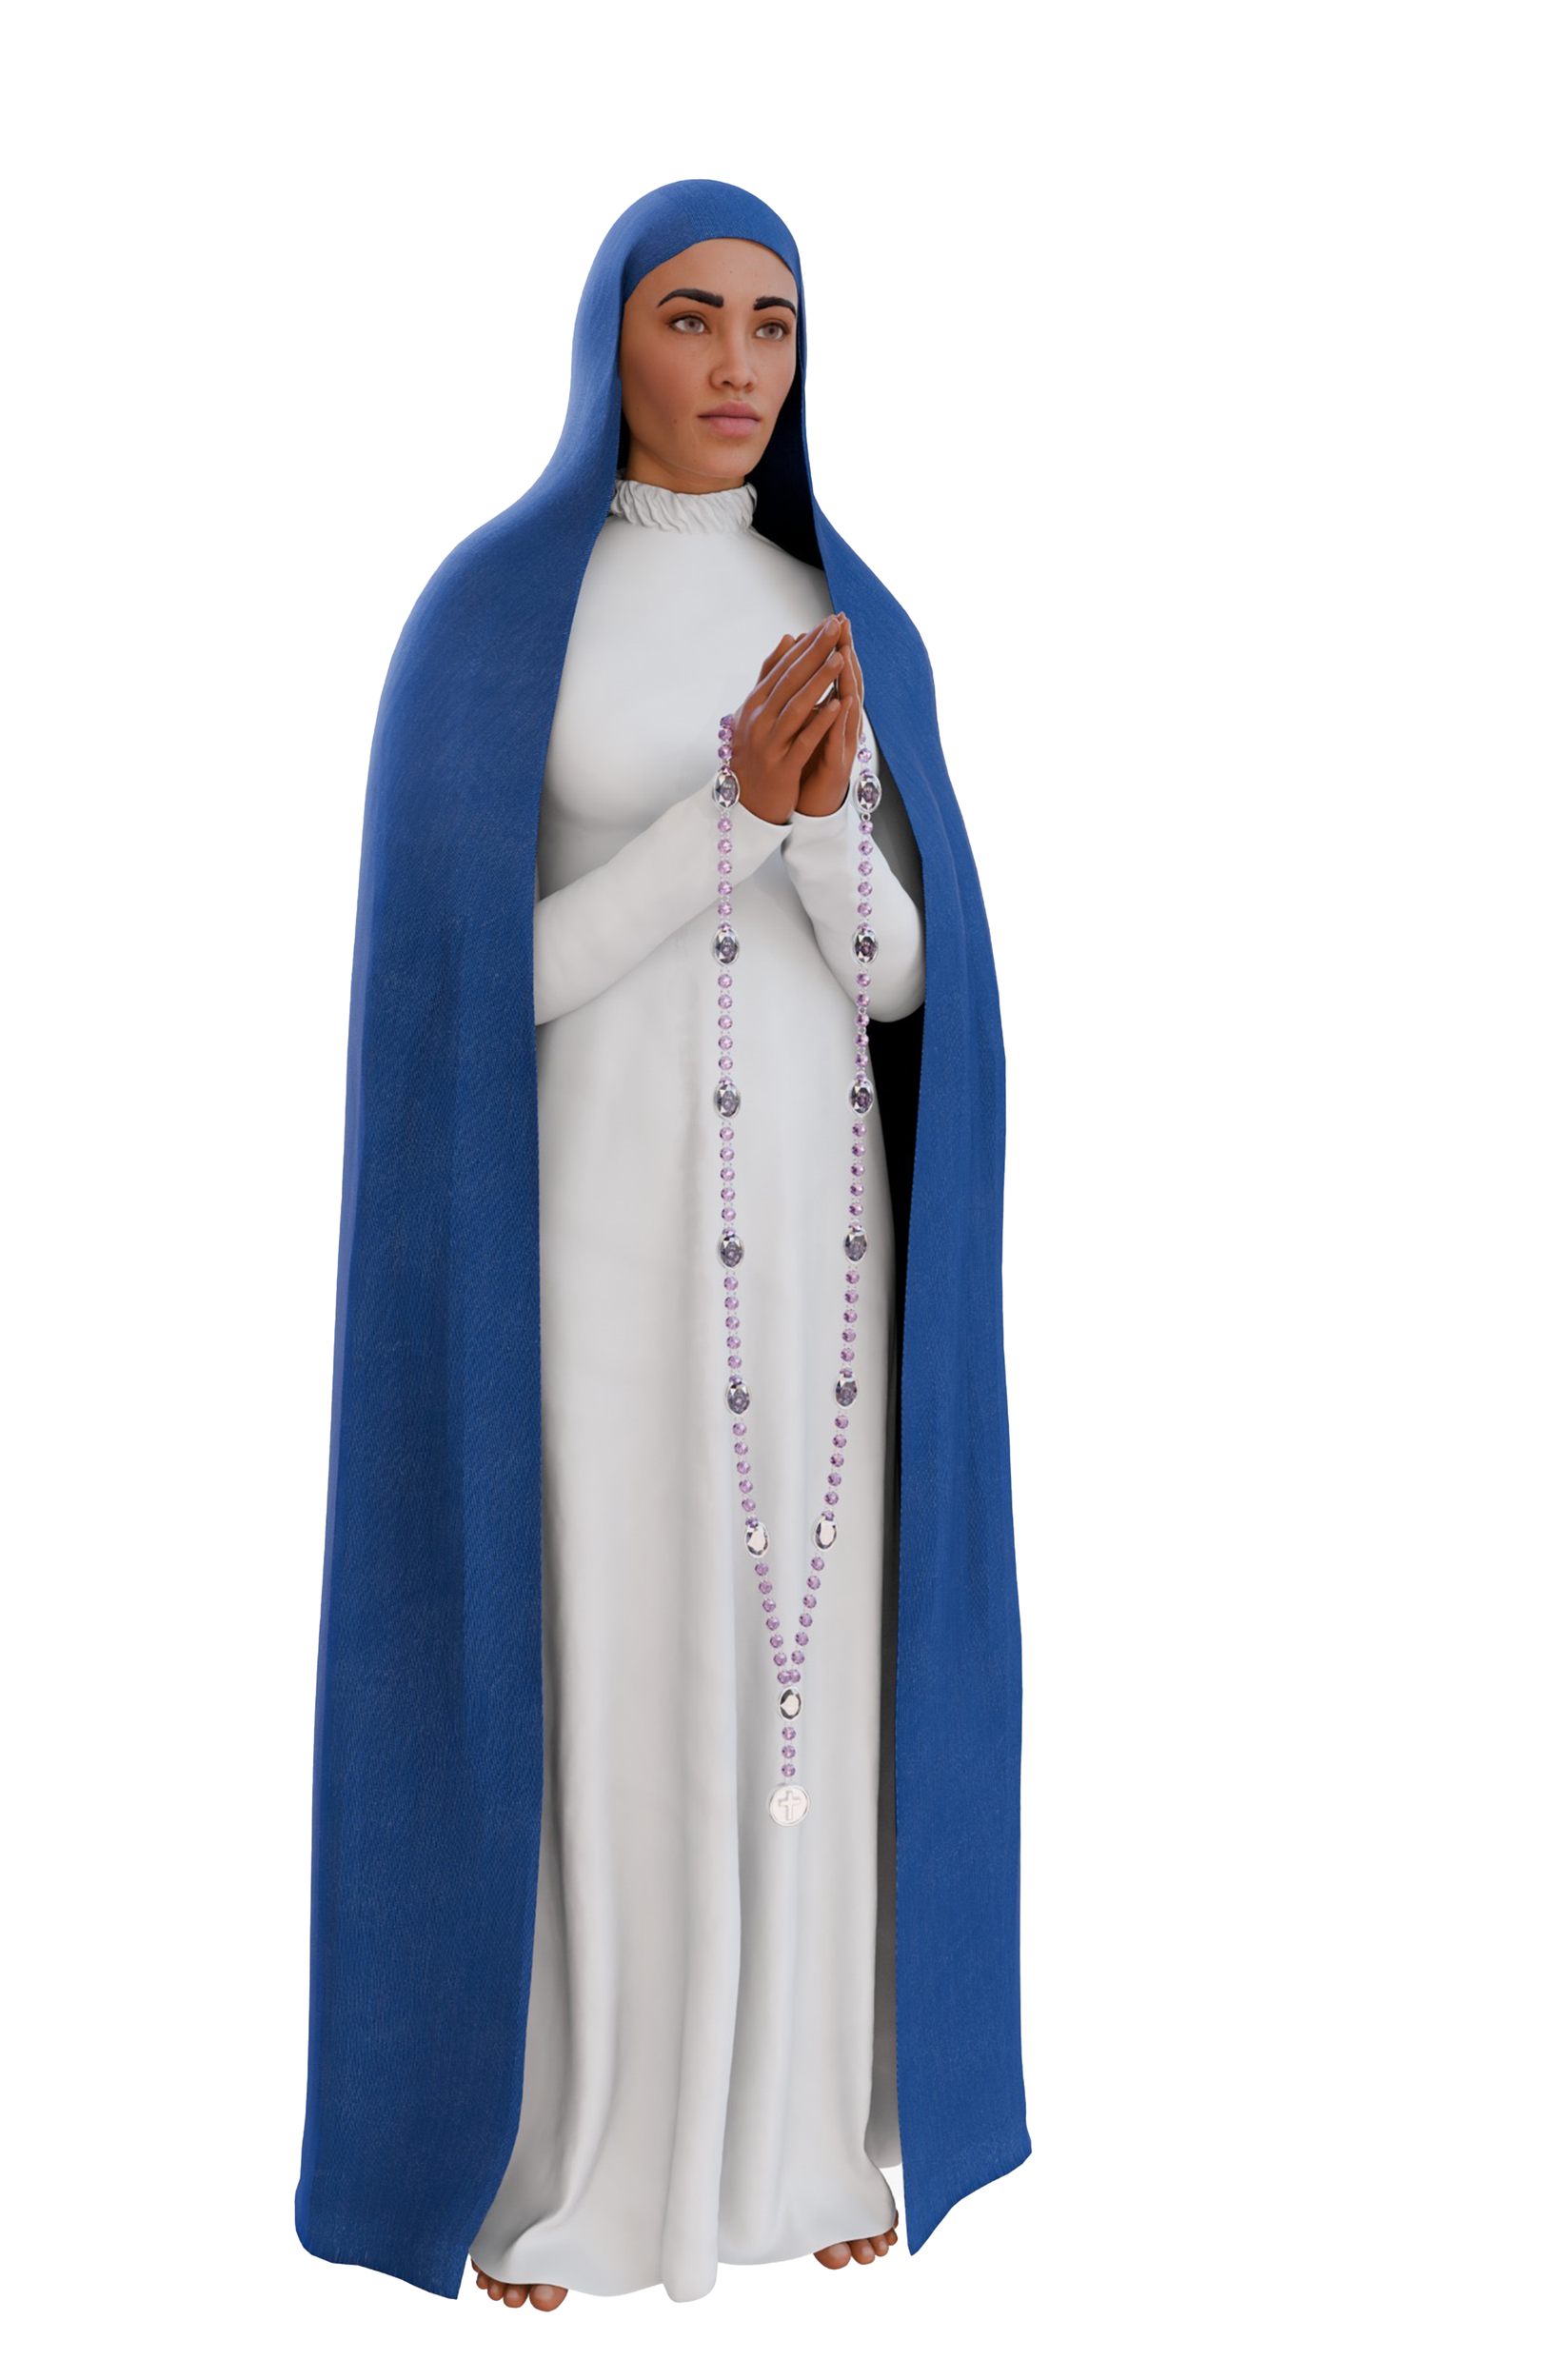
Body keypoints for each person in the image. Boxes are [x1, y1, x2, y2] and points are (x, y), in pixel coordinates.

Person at [298, 181, 1027, 2309]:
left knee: (800, 1662)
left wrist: (814, 832)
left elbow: (901, 984)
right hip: (594, 1233)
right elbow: (475, 987)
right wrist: (730, 818)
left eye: (771, 325)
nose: (734, 365)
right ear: (606, 337)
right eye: (689, 317)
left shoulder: (841, 613)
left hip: (813, 1247)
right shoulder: (495, 617)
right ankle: (565, 2163)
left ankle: (796, 2130)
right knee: (610, 1658)